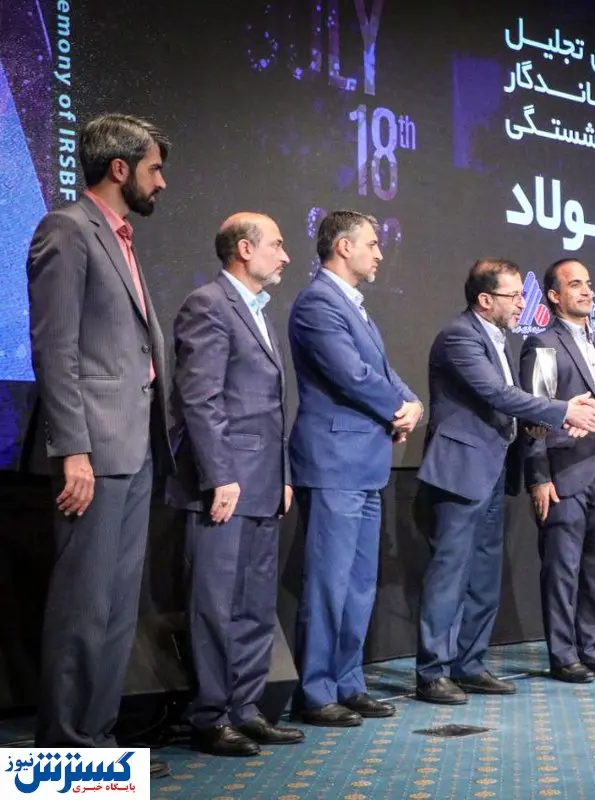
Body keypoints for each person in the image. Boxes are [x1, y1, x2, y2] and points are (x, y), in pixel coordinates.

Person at [26, 113, 173, 776]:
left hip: (134, 446)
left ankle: (98, 746)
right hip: (93, 451)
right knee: (83, 605)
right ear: (120, 168)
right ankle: (64, 750)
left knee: (114, 607)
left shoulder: (120, 237)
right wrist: (73, 450)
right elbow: (55, 350)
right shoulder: (67, 229)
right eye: (153, 169)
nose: (160, 183)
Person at [414, 258, 595, 705]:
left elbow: (506, 405)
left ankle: (469, 664)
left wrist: (538, 424)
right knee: (450, 574)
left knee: (484, 575)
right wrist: (564, 410)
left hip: (493, 471)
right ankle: (433, 672)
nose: (523, 303)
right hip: (460, 472)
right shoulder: (460, 335)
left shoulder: (499, 338)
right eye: (514, 296)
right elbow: (497, 394)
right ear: (485, 300)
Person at [166, 213, 304, 756]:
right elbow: (200, 399)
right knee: (216, 604)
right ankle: (211, 716)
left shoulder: (260, 312)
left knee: (254, 604)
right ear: (245, 249)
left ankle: (246, 709)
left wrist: (284, 475)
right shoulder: (208, 304)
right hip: (225, 485)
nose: (285, 255)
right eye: (277, 244)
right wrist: (220, 475)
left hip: (265, 483)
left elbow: (272, 408)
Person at [288, 211, 422, 726]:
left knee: (360, 583)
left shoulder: (354, 306)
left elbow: (382, 372)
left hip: (365, 464)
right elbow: (353, 375)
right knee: (329, 583)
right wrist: (397, 407)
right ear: (343, 247)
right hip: (334, 462)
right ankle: (317, 691)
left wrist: (412, 403)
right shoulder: (318, 303)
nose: (380, 253)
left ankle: (349, 681)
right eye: (372, 243)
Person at [518, 260, 595, 683]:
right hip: (564, 473)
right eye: (575, 285)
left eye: (588, 283)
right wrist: (539, 477)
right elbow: (533, 417)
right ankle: (564, 654)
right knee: (562, 569)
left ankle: (592, 647)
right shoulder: (542, 343)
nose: (587, 291)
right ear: (554, 296)